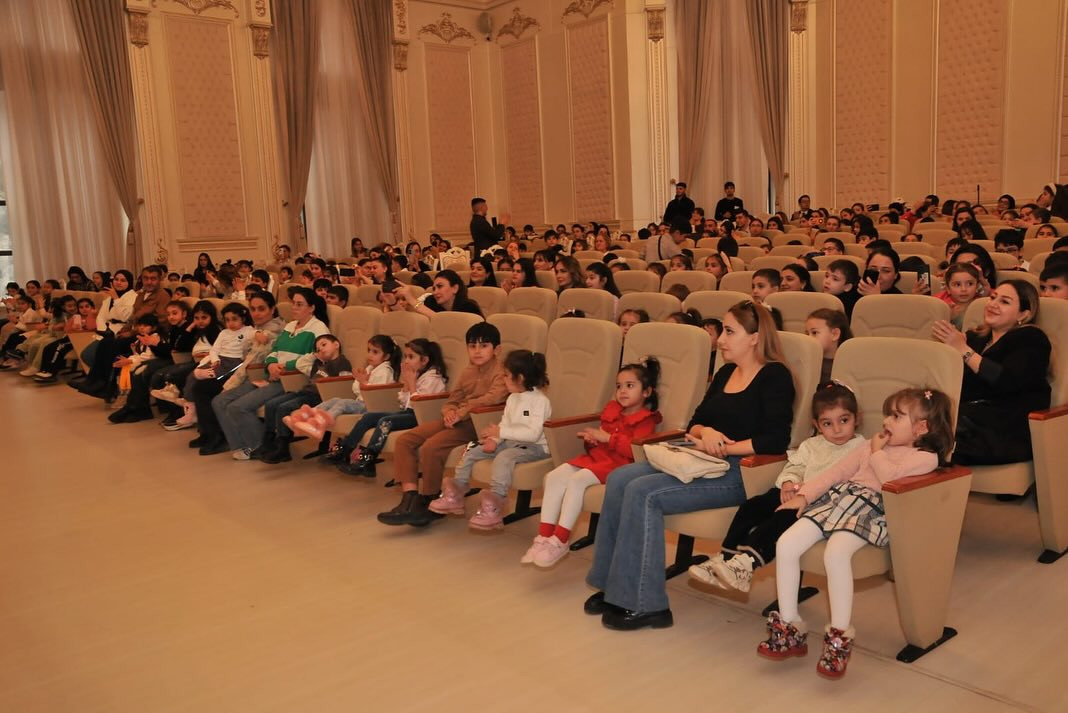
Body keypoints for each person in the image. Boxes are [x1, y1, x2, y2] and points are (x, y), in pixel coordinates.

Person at [584, 301, 795, 631]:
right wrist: (706, 433)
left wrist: (725, 447)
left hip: (742, 471)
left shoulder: (775, 376)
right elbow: (696, 421)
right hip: (701, 457)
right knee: (621, 478)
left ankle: (646, 604)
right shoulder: (725, 373)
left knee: (643, 493)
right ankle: (614, 584)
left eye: (729, 332)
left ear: (755, 337)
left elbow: (775, 440)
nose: (720, 340)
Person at [763, 387, 954, 679]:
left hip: (870, 510)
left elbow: (889, 478)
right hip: (838, 500)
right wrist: (804, 495)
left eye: (896, 416)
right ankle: (789, 628)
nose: (886, 421)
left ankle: (838, 639)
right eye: (888, 414)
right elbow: (836, 473)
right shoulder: (869, 447)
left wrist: (877, 452)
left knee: (836, 554)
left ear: (921, 428)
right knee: (786, 543)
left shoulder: (925, 458)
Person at [689, 382, 865, 591]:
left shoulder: (863, 448)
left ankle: (747, 564)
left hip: (820, 503)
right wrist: (788, 482)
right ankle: (726, 558)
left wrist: (804, 494)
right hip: (795, 491)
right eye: (827, 423)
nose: (837, 429)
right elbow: (795, 466)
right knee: (752, 506)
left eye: (844, 420)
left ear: (857, 418)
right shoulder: (811, 445)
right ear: (817, 425)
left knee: (780, 519)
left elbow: (858, 483)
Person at [523, 359, 663, 568]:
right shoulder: (612, 410)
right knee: (554, 476)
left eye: (630, 385)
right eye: (619, 386)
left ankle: (560, 539)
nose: (623, 391)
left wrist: (608, 439)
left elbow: (636, 451)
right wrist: (593, 440)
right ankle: (544, 537)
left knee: (577, 480)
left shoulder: (646, 419)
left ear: (646, 392)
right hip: (597, 459)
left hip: (619, 466)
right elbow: (601, 440)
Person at [377, 322, 509, 527]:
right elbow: (453, 399)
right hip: (457, 418)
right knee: (405, 440)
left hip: (480, 423)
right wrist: (449, 412)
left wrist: (460, 412)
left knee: (431, 447)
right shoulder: (468, 371)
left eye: (483, 346)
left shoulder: (503, 372)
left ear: (497, 350)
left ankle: (428, 500)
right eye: (472, 346)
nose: (477, 351)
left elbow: (492, 398)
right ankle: (409, 499)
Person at [429, 350, 552, 529]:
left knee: (504, 457)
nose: (503, 379)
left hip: (534, 448)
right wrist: (495, 439)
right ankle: (456, 492)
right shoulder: (513, 398)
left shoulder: (540, 401)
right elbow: (505, 424)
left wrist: (500, 432)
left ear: (520, 378)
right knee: (473, 450)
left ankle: (495, 503)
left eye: (507, 375)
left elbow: (533, 434)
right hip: (510, 442)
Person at [932, 280, 1050, 465]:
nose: (993, 304)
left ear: (1024, 314)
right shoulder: (976, 337)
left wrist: (963, 350)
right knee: (919, 417)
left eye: (1004, 301)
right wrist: (949, 352)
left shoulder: (1032, 339)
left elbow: (1006, 381)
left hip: (1005, 429)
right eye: (993, 297)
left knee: (929, 435)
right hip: (968, 418)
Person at [203, 288, 329, 459]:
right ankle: (240, 445)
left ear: (311, 308)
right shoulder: (290, 326)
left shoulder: (318, 329)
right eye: (293, 303)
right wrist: (270, 364)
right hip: (272, 374)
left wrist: (283, 366)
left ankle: (260, 445)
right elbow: (274, 351)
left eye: (299, 304)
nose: (294, 307)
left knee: (237, 407)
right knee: (219, 401)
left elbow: (316, 358)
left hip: (292, 379)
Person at [331, 339, 449, 476]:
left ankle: (369, 458)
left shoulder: (433, 378)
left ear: (424, 360)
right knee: (368, 417)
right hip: (409, 412)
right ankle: (346, 449)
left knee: (386, 421)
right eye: (405, 356)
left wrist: (411, 383)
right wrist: (407, 384)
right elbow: (403, 403)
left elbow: (420, 405)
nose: (406, 361)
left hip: (421, 417)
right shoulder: (417, 375)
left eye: (411, 357)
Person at [258, 334, 354, 464]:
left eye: (324, 345)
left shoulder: (341, 362)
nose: (320, 349)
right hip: (305, 392)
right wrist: (314, 355)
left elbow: (345, 383)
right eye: (317, 348)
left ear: (336, 345)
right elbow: (300, 364)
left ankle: (283, 449)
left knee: (284, 408)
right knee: (271, 404)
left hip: (320, 397)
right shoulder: (318, 363)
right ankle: (268, 442)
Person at [804, 309, 851, 383]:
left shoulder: (848, 366)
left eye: (814, 332)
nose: (808, 338)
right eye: (807, 333)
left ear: (835, 334)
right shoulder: (804, 363)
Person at [412, 270, 483, 317]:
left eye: (440, 286)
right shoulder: (431, 302)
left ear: (455, 288)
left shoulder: (469, 308)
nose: (435, 292)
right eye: (434, 289)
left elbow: (447, 323)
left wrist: (411, 299)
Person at [935, 263, 982, 329]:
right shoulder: (939, 305)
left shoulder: (983, 305)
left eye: (970, 284)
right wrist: (947, 317)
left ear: (977, 286)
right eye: (957, 284)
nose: (963, 289)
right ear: (948, 288)